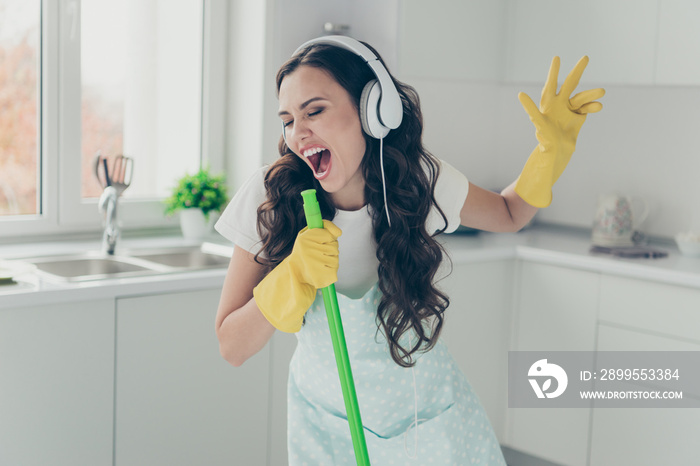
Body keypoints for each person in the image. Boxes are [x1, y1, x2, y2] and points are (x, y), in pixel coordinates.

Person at [214, 36, 604, 465]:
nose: (298, 133)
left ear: (373, 112)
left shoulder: (415, 181)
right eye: (287, 119)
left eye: (316, 110)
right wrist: (292, 276)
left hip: (427, 424)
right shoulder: (272, 195)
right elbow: (232, 346)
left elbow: (509, 213)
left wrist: (549, 155)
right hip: (327, 428)